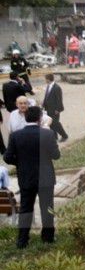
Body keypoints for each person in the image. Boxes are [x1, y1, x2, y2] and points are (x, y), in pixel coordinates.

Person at [3, 106, 60, 248]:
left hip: (26, 177)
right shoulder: (47, 134)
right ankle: (48, 237)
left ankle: (22, 240)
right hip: (46, 177)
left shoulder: (16, 135)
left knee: (26, 208)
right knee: (47, 207)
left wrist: (20, 163)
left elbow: (7, 157)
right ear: (40, 118)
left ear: (26, 117)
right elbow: (56, 155)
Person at [42, 73, 69, 142]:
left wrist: (58, 109)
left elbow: (59, 99)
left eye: (45, 79)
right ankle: (54, 137)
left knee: (56, 123)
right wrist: (43, 104)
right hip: (48, 108)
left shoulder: (57, 87)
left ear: (48, 79)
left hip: (54, 109)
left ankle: (64, 136)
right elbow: (46, 97)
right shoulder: (48, 86)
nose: (45, 80)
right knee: (51, 123)